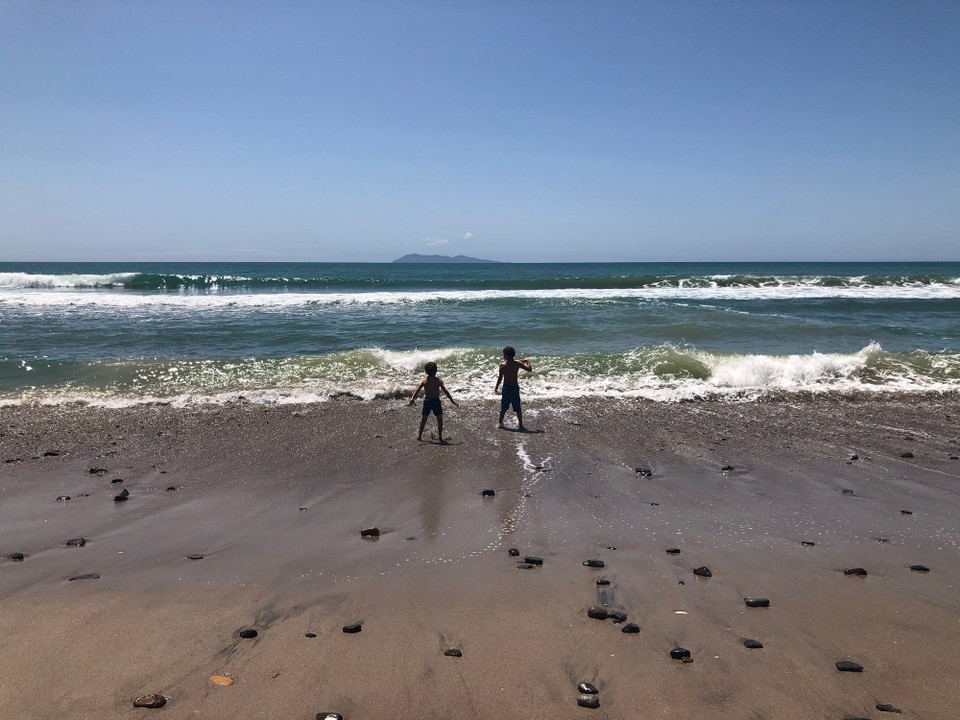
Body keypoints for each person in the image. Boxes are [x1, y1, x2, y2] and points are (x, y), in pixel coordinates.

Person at [409, 361, 458, 442]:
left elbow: (417, 391)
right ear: (436, 371)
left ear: (426, 371)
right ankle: (440, 436)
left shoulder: (425, 381)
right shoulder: (438, 381)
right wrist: (452, 401)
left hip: (427, 401)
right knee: (439, 419)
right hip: (436, 401)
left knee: (424, 419)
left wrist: (412, 398)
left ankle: (419, 436)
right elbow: (446, 391)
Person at [495, 346, 532, 430]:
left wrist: (496, 387)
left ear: (507, 355)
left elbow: (500, 378)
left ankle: (500, 423)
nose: (503, 356)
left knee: (504, 406)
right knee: (517, 406)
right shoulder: (517, 364)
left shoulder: (502, 365)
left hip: (506, 387)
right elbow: (529, 369)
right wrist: (527, 362)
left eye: (504, 354)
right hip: (514, 387)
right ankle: (521, 425)